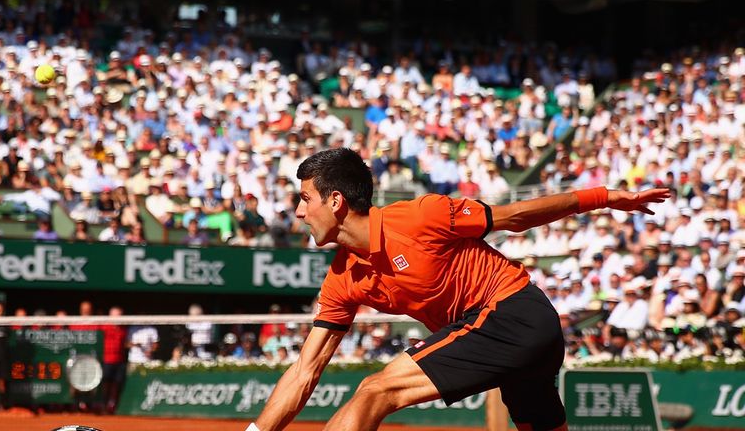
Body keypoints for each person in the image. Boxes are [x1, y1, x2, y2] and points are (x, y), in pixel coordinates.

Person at [248, 148, 669, 431]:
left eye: (305, 199)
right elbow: (305, 371)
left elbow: (515, 216)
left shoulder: (419, 216)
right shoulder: (342, 278)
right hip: (513, 339)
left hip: (514, 311)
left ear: (336, 201)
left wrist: (603, 197)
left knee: (375, 390)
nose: (299, 212)